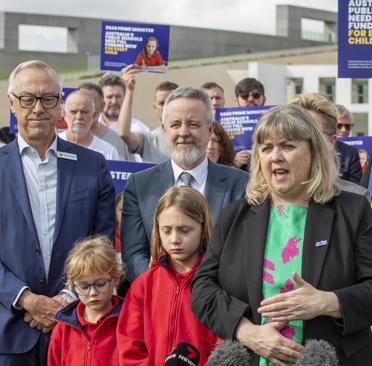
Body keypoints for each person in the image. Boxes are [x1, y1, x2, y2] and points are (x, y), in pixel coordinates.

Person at [191, 105, 372, 365]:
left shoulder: (352, 211)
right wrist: (247, 332)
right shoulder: (234, 217)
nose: (275, 156)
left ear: (313, 152)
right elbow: (202, 290)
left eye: (287, 146)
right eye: (266, 148)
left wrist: (327, 302)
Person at [0, 60, 115, 365]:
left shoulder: (93, 165)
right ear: (12, 103)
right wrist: (26, 298)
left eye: (48, 98)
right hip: (9, 332)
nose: (38, 108)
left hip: (77, 328)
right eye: (27, 98)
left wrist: (65, 299)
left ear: (59, 104)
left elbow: (102, 243)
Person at [120, 86, 248, 283]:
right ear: (163, 130)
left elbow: (241, 253)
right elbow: (134, 254)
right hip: (158, 302)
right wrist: (164, 291)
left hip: (218, 303)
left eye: (193, 124)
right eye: (175, 124)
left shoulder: (240, 184)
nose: (183, 132)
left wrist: (205, 295)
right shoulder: (140, 186)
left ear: (210, 129)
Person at [118, 187, 221, 366]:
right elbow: (129, 346)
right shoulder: (143, 285)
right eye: (166, 230)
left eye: (185, 230)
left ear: (202, 227)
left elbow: (225, 340)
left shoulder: (219, 281)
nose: (174, 239)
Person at [47, 236, 123, 366]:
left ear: (116, 279)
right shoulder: (63, 329)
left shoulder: (128, 322)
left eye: (100, 284)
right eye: (84, 286)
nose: (92, 293)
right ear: (72, 285)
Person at [289, 93, 371, 202]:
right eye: (294, 133)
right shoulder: (263, 198)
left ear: (331, 141)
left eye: (312, 134)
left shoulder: (357, 200)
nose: (300, 141)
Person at [117, 68, 175, 163]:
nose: (166, 107)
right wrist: (129, 90)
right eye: (162, 103)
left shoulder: (194, 137)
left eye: (171, 102)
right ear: (155, 108)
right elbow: (124, 133)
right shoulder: (147, 139)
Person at [79, 82, 137, 161]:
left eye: (92, 101)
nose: (86, 108)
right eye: (83, 100)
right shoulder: (62, 140)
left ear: (102, 106)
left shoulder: (119, 141)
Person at [58, 90, 120, 160]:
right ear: (65, 115)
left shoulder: (108, 152)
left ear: (93, 115)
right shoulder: (51, 146)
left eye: (84, 112)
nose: (79, 117)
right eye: (74, 111)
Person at [232, 77, 267, 169]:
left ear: (264, 99)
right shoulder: (223, 126)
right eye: (244, 95)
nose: (250, 99)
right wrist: (234, 163)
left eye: (256, 95)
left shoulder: (276, 123)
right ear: (236, 102)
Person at [334, 104, 363, 184]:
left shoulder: (352, 153)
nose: (344, 130)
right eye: (338, 126)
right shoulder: (315, 148)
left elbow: (355, 186)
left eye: (348, 126)